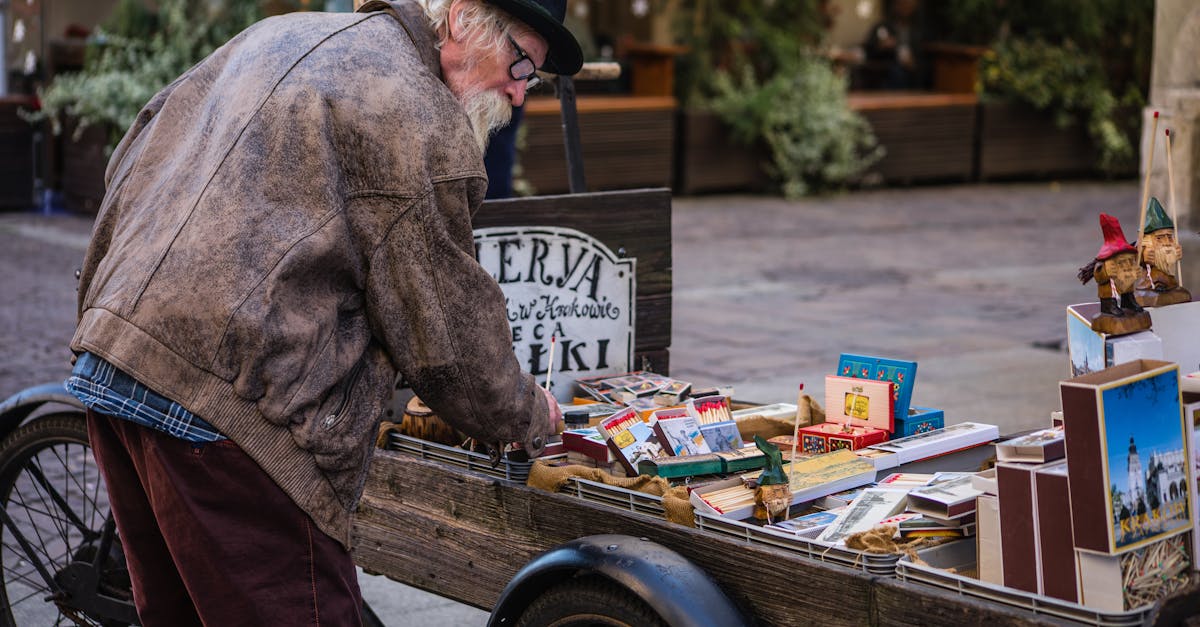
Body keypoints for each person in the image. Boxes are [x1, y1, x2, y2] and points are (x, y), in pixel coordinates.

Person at [65, 0, 578, 624]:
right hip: (231, 411)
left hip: (118, 360)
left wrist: (100, 308)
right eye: (521, 63)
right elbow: (448, 337)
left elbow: (136, 150)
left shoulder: (282, 32)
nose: (519, 94)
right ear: (466, 20)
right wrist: (526, 411)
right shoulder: (416, 112)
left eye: (531, 78)